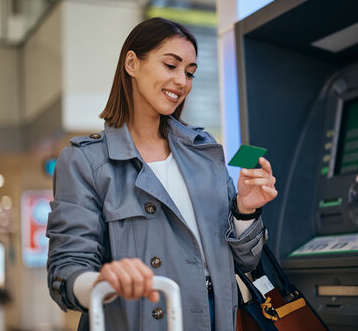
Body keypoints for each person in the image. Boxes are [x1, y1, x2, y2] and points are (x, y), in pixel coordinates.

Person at [46, 17, 278, 331]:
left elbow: (245, 263)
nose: (182, 81)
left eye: (190, 72)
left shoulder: (204, 151)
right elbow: (66, 270)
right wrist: (102, 282)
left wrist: (245, 210)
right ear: (132, 62)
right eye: (171, 65)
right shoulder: (84, 161)